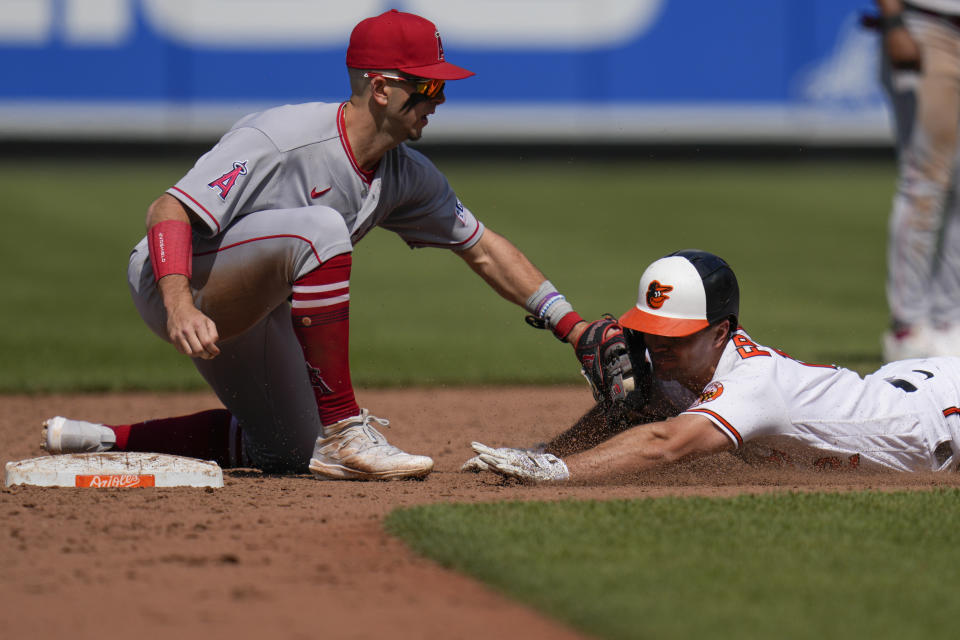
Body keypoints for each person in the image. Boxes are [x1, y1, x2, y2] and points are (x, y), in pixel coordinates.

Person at [41, 10, 592, 480]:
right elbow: (169, 208)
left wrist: (573, 326)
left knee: (283, 450)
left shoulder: (407, 174)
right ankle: (345, 430)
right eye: (426, 87)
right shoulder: (282, 138)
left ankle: (103, 439)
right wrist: (179, 302)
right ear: (380, 88)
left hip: (250, 304)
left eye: (442, 87)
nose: (439, 99)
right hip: (174, 277)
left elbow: (484, 248)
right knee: (321, 229)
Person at [466, 249, 960, 483]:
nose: (657, 348)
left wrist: (554, 471)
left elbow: (664, 444)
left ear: (721, 331)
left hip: (941, 412)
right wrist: (544, 451)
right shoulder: (683, 370)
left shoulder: (752, 384)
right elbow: (630, 414)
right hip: (906, 386)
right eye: (650, 332)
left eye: (673, 337)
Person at [869, 1, 960, 361]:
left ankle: (949, 321)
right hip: (926, 25)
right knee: (925, 182)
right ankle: (908, 327)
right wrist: (892, 20)